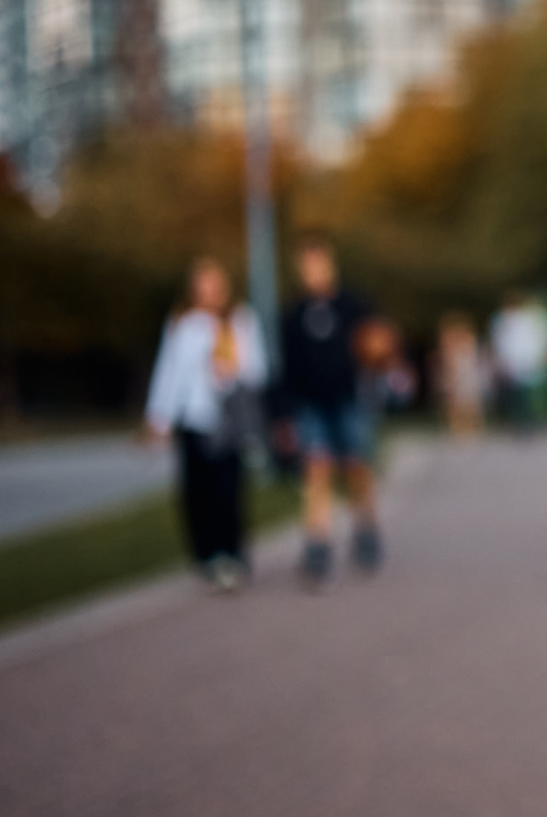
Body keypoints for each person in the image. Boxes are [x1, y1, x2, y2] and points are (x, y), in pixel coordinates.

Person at [144, 257, 266, 592]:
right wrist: (159, 416)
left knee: (228, 490)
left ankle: (232, 553)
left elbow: (257, 370)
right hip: (194, 419)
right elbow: (168, 372)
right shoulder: (183, 324)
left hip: (228, 420)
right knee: (197, 493)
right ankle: (207, 556)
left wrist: (232, 370)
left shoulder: (240, 321)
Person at [279, 233, 382, 587]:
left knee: (356, 466)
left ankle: (366, 528)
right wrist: (283, 414)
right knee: (317, 469)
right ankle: (317, 542)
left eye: (318, 261)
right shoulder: (293, 315)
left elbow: (376, 341)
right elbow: (287, 368)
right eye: (307, 264)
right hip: (311, 404)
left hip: (348, 398)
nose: (313, 270)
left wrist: (380, 353)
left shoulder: (352, 304)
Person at [489, 292, 547, 437]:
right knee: (518, 394)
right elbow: (500, 342)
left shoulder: (530, 318)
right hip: (513, 362)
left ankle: (533, 421)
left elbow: (541, 337)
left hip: (530, 360)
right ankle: (522, 422)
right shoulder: (501, 320)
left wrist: (543, 354)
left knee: (530, 393)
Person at [433, 312, 490, 437]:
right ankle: (458, 429)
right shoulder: (450, 341)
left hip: (466, 374)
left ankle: (470, 429)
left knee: (470, 402)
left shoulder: (468, 340)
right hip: (458, 375)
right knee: (456, 402)